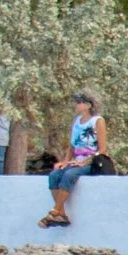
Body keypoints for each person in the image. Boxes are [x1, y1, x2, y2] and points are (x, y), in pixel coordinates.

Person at [39, 92, 109, 228]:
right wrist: (65, 161)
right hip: (76, 161)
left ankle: (54, 211)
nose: (76, 105)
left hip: (92, 162)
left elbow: (102, 149)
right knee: (54, 175)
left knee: (70, 175)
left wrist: (84, 162)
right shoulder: (77, 121)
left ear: (88, 105)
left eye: (79, 102)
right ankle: (61, 214)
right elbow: (72, 146)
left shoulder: (98, 121)